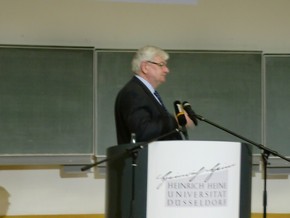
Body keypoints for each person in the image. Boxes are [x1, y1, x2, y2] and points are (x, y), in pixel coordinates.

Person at [115, 45, 192, 145]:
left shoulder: (143, 91)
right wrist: (175, 121)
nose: (166, 70)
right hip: (145, 159)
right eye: (161, 65)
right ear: (145, 67)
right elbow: (142, 131)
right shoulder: (133, 92)